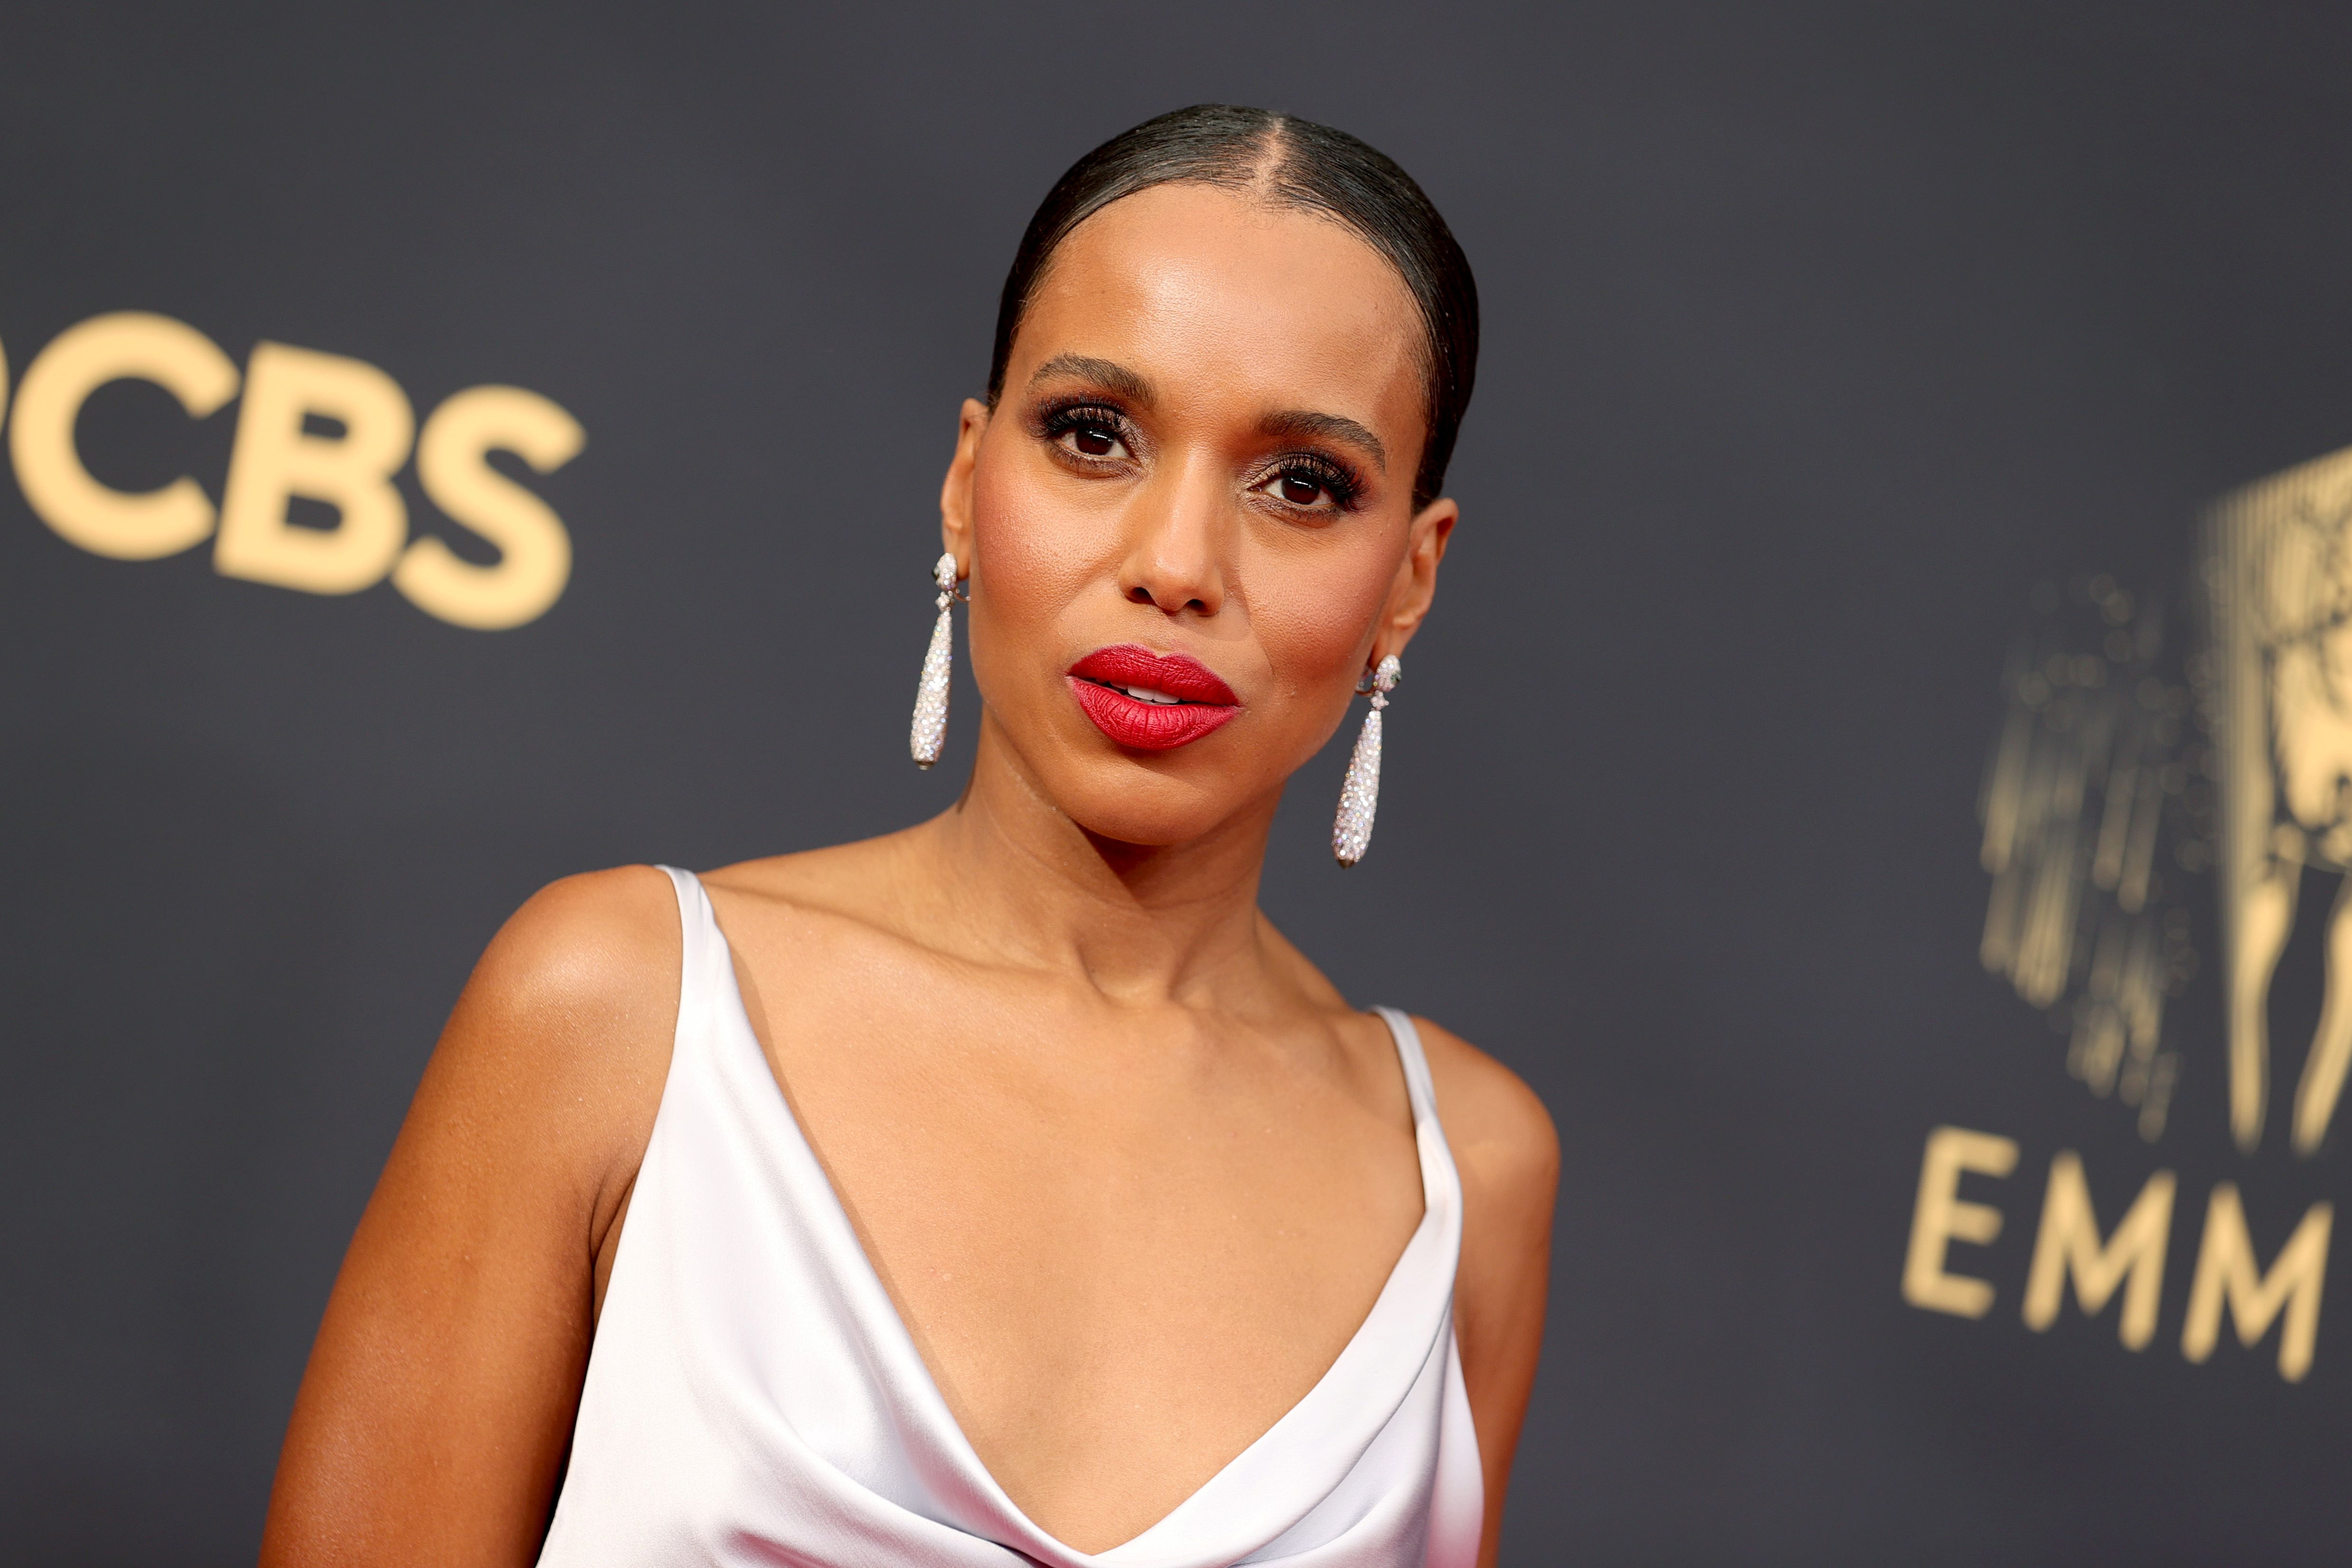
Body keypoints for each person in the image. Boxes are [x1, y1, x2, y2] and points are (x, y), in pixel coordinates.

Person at [259, 103, 1558, 1568]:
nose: (1177, 565)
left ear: (1409, 581)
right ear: (965, 480)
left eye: (1302, 484)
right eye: (1093, 436)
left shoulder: (1467, 1174)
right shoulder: (618, 1008)